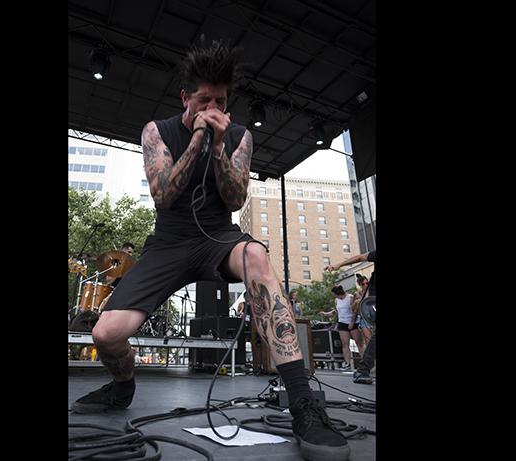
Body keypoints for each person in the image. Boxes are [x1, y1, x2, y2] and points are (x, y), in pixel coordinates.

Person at [70, 40, 350, 461]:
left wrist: (218, 146)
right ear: (186, 97)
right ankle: (122, 386)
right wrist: (199, 137)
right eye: (204, 100)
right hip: (168, 242)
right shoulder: (157, 131)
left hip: (218, 237)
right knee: (105, 334)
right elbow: (163, 195)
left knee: (257, 254)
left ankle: (302, 403)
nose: (213, 107)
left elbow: (236, 199)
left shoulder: (239, 137)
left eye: (220, 101)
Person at [326, 251, 376, 384]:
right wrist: (339, 265)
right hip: (370, 305)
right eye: (363, 283)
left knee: (367, 341)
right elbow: (361, 257)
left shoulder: (349, 296)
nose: (365, 284)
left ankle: (363, 369)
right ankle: (362, 369)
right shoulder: (347, 298)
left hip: (360, 314)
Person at [320, 286, 365, 371]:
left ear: (338, 293)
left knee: (359, 343)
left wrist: (352, 322)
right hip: (342, 322)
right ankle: (347, 363)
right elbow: (337, 311)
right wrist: (328, 315)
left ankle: (365, 362)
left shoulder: (351, 297)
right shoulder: (336, 300)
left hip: (353, 322)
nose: (334, 296)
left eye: (334, 294)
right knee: (345, 344)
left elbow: (354, 310)